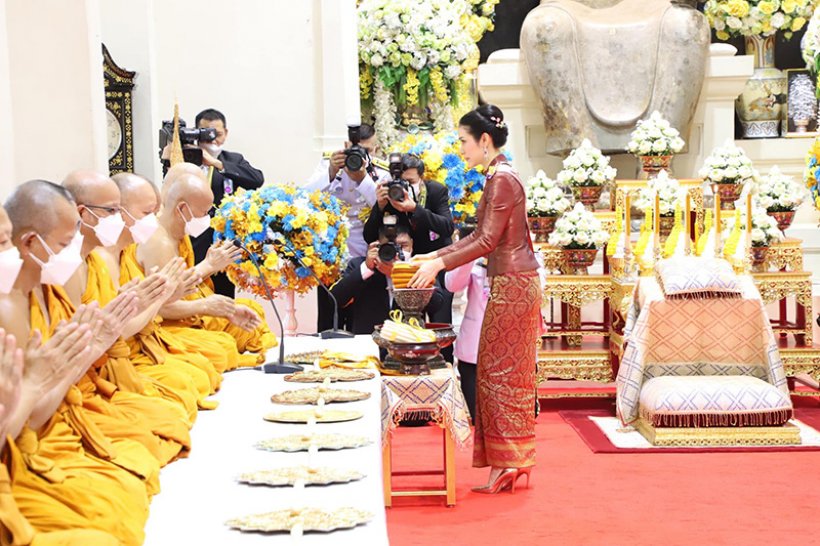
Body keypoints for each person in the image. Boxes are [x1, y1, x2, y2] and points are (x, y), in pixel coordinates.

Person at [1, 181, 152, 545]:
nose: (8, 252)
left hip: (62, 417)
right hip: (30, 451)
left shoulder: (40, 288)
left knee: (140, 457)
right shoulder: (7, 310)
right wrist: (46, 378)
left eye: (5, 240)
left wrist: (95, 343)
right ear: (31, 242)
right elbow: (28, 415)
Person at [409, 105, 541, 494]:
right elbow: (480, 236)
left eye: (464, 141)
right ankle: (509, 461)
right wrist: (434, 257)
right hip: (511, 281)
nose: (461, 148)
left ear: (485, 141)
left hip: (513, 283)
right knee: (498, 374)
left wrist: (437, 266)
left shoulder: (502, 180)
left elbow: (486, 241)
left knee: (500, 375)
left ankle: (511, 461)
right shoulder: (500, 176)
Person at [62, 170, 193, 466]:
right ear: (83, 213)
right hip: (91, 382)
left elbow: (112, 328)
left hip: (112, 365)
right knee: (168, 413)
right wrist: (156, 298)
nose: (119, 217)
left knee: (181, 396)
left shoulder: (95, 259)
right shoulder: (69, 271)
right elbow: (102, 336)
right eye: (111, 210)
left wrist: (154, 297)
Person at [138, 169, 277, 366]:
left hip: (190, 313)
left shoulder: (180, 233)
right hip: (167, 326)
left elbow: (182, 287)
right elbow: (162, 307)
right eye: (204, 213)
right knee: (222, 348)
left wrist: (223, 307)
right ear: (182, 209)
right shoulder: (159, 243)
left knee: (250, 313)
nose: (208, 219)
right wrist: (206, 304)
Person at [364, 153, 455, 360]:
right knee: (404, 320)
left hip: (434, 263)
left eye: (411, 182)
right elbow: (369, 235)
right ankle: (403, 360)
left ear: (421, 179)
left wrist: (415, 208)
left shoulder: (435, 191)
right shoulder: (390, 193)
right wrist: (379, 207)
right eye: (402, 182)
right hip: (401, 265)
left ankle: (445, 363)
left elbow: (447, 227)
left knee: (440, 319)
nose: (404, 188)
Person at [305, 123, 389, 333]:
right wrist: (332, 171)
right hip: (331, 255)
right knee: (328, 318)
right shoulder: (328, 164)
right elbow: (305, 196)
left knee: (360, 319)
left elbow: (383, 207)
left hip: (364, 254)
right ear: (346, 146)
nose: (362, 157)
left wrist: (363, 179)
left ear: (375, 150)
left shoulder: (380, 172)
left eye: (368, 151)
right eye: (357, 150)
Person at [193, 108, 265, 299]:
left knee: (224, 297)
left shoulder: (233, 160)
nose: (212, 139)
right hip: (193, 238)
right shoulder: (185, 159)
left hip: (222, 240)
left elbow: (256, 179)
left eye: (217, 134)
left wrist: (216, 164)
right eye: (206, 134)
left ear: (226, 134)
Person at [330, 224, 445, 335]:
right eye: (391, 247)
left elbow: (436, 304)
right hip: (370, 342)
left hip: (408, 342)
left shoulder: (421, 267)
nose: (396, 253)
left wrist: (403, 275)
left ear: (412, 245)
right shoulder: (359, 265)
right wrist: (367, 268)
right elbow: (336, 299)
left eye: (403, 246)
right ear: (378, 246)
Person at [444, 253, 488, 423]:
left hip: (509, 351)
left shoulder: (526, 254)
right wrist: (470, 254)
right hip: (474, 350)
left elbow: (539, 286)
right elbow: (452, 285)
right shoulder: (475, 258)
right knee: (480, 421)